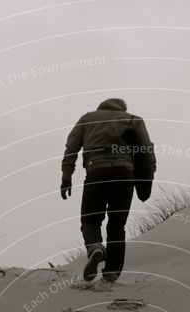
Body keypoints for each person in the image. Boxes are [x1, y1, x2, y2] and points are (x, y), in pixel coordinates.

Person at [60, 97, 156, 283]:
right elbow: (147, 151)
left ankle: (95, 247)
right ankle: (112, 272)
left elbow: (71, 147)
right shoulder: (133, 119)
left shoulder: (88, 119)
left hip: (96, 170)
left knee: (90, 219)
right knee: (117, 225)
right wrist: (146, 183)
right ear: (123, 108)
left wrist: (66, 175)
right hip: (124, 172)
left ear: (101, 107)